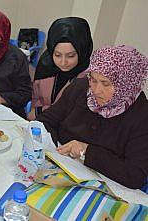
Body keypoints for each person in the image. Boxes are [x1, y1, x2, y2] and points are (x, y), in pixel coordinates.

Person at [36, 45, 148, 189]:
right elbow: (46, 121)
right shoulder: (81, 88)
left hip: (106, 185)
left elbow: (134, 175)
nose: (96, 90)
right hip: (61, 167)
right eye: (93, 80)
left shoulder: (142, 116)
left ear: (126, 85)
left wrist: (86, 151)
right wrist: (53, 150)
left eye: (106, 84)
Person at [27, 17, 93, 120]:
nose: (63, 62)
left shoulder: (90, 76)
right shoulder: (46, 65)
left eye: (70, 56)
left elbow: (76, 115)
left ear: (82, 51)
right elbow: (35, 99)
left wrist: (40, 111)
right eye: (57, 55)